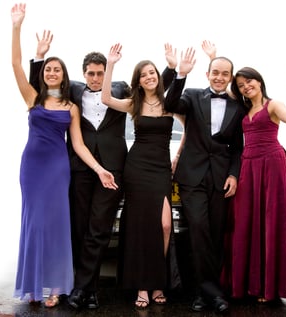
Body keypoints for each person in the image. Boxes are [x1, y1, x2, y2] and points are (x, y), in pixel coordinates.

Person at [28, 36, 178, 310]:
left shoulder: (120, 88)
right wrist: (39, 59)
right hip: (80, 167)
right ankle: (81, 286)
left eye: (100, 73)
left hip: (114, 168)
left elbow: (153, 90)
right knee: (80, 228)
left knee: (99, 230)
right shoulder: (71, 92)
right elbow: (41, 87)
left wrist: (170, 69)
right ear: (83, 74)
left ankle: (87, 289)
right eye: (91, 74)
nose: (96, 78)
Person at [10, 3, 117, 308]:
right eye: (48, 69)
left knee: (56, 226)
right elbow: (17, 65)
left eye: (57, 69)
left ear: (64, 75)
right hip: (32, 167)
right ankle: (32, 285)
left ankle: (56, 287)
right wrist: (17, 26)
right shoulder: (32, 98)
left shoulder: (72, 107)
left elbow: (80, 145)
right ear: (43, 74)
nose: (52, 72)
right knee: (33, 224)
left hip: (59, 169)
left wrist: (99, 170)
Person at [101, 43, 194, 309]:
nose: (149, 77)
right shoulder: (134, 103)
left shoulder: (170, 104)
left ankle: (157, 279)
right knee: (140, 230)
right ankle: (144, 285)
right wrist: (111, 64)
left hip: (161, 169)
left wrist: (177, 157)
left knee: (165, 226)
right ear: (139, 82)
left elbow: (188, 130)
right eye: (144, 75)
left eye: (152, 72)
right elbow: (106, 99)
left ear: (158, 76)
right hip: (137, 168)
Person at [164, 52, 247, 313]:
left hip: (222, 179)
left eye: (225, 73)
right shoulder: (192, 95)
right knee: (198, 228)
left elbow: (237, 148)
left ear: (230, 77)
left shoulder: (239, 106)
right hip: (192, 176)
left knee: (215, 233)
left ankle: (203, 293)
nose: (219, 77)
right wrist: (181, 75)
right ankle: (213, 293)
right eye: (215, 72)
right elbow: (170, 103)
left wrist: (234, 174)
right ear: (207, 74)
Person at [223, 65, 286, 302]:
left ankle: (270, 287)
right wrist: (213, 60)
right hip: (248, 166)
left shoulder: (273, 105)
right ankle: (250, 283)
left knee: (271, 222)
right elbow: (221, 90)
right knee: (246, 222)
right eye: (241, 85)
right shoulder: (244, 108)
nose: (246, 86)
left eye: (249, 81)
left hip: (271, 166)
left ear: (259, 82)